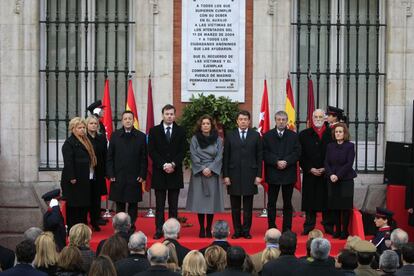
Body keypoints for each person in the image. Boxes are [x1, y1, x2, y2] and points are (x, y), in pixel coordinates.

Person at [148, 104, 187, 240]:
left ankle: (173, 230)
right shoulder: (154, 131)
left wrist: (173, 164)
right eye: (167, 114)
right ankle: (159, 229)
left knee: (173, 205)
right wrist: (163, 164)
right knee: (159, 205)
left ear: (175, 115)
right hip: (160, 172)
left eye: (171, 114)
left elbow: (183, 150)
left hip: (175, 173)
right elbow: (152, 150)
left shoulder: (181, 131)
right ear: (162, 115)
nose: (169, 116)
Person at [223, 110, 262, 239]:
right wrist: (226, 175)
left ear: (249, 121)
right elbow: (226, 157)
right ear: (237, 121)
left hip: (250, 175)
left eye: (245, 119)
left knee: (248, 207)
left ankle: (246, 231)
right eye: (241, 119)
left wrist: (258, 175)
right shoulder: (230, 135)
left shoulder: (255, 135)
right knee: (235, 207)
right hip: (233, 175)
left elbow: (259, 156)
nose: (243, 121)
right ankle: (237, 231)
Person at [107, 110, 147, 230]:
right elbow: (109, 157)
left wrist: (142, 174)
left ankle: (131, 225)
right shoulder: (115, 135)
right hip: (118, 175)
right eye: (125, 119)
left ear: (133, 120)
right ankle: (120, 226)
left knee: (133, 203)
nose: (128, 121)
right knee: (120, 203)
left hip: (134, 175)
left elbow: (144, 158)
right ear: (122, 121)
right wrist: (111, 173)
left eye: (130, 118)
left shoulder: (141, 136)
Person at [186, 115, 224, 238]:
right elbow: (193, 154)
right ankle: (202, 228)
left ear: (211, 125)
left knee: (210, 203)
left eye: (208, 123)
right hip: (199, 173)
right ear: (200, 126)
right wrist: (202, 168)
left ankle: (209, 228)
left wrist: (211, 168)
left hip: (212, 173)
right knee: (200, 202)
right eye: (203, 124)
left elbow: (219, 155)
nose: (206, 125)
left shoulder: (218, 139)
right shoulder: (195, 139)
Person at [263, 111, 301, 232]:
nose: (281, 121)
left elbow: (297, 152)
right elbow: (264, 153)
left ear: (287, 121)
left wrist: (286, 161)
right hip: (273, 173)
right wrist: (276, 161)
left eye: (283, 119)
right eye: (279, 119)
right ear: (275, 120)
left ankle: (287, 228)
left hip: (288, 173)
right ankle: (271, 227)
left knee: (287, 203)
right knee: (271, 203)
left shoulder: (293, 135)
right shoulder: (267, 135)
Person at [299, 109, 334, 235]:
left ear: (325, 118)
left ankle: (329, 226)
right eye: (316, 117)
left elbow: (335, 154)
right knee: (310, 201)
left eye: (320, 117)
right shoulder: (303, 134)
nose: (318, 119)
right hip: (310, 173)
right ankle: (309, 226)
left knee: (327, 200)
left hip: (327, 173)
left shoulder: (332, 134)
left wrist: (326, 168)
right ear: (312, 118)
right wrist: (309, 168)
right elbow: (300, 155)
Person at [61, 117, 96, 231]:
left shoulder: (85, 140)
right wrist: (72, 177)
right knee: (74, 206)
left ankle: (83, 228)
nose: (82, 130)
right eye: (79, 128)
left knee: (84, 205)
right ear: (73, 129)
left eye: (83, 127)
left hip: (85, 178)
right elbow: (68, 162)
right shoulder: (69, 143)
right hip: (74, 180)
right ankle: (74, 230)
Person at [325, 123, 357, 239]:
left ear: (345, 133)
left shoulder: (350, 146)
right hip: (332, 179)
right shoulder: (330, 146)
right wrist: (331, 175)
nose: (338, 133)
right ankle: (337, 230)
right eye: (336, 132)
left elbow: (349, 163)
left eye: (340, 132)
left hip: (345, 179)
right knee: (335, 206)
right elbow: (326, 162)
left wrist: (338, 175)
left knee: (345, 207)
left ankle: (344, 231)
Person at [86, 115, 108, 232]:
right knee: (87, 197)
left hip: (98, 172)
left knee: (96, 197)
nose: (93, 125)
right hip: (86, 172)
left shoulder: (101, 138)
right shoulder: (84, 138)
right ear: (87, 125)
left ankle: (95, 221)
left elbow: (105, 155)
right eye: (91, 123)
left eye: (95, 123)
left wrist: (106, 171)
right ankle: (86, 221)